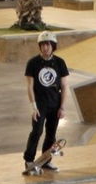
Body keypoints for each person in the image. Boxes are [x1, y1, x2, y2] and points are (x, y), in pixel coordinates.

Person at [22, 31, 69, 175]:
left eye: (48, 45)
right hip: (40, 104)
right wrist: (33, 107)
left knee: (51, 134)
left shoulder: (60, 63)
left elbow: (65, 86)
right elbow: (30, 86)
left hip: (54, 104)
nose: (45, 48)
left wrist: (62, 107)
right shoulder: (33, 63)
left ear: (53, 46)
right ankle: (29, 160)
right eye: (42, 45)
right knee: (36, 131)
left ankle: (46, 160)